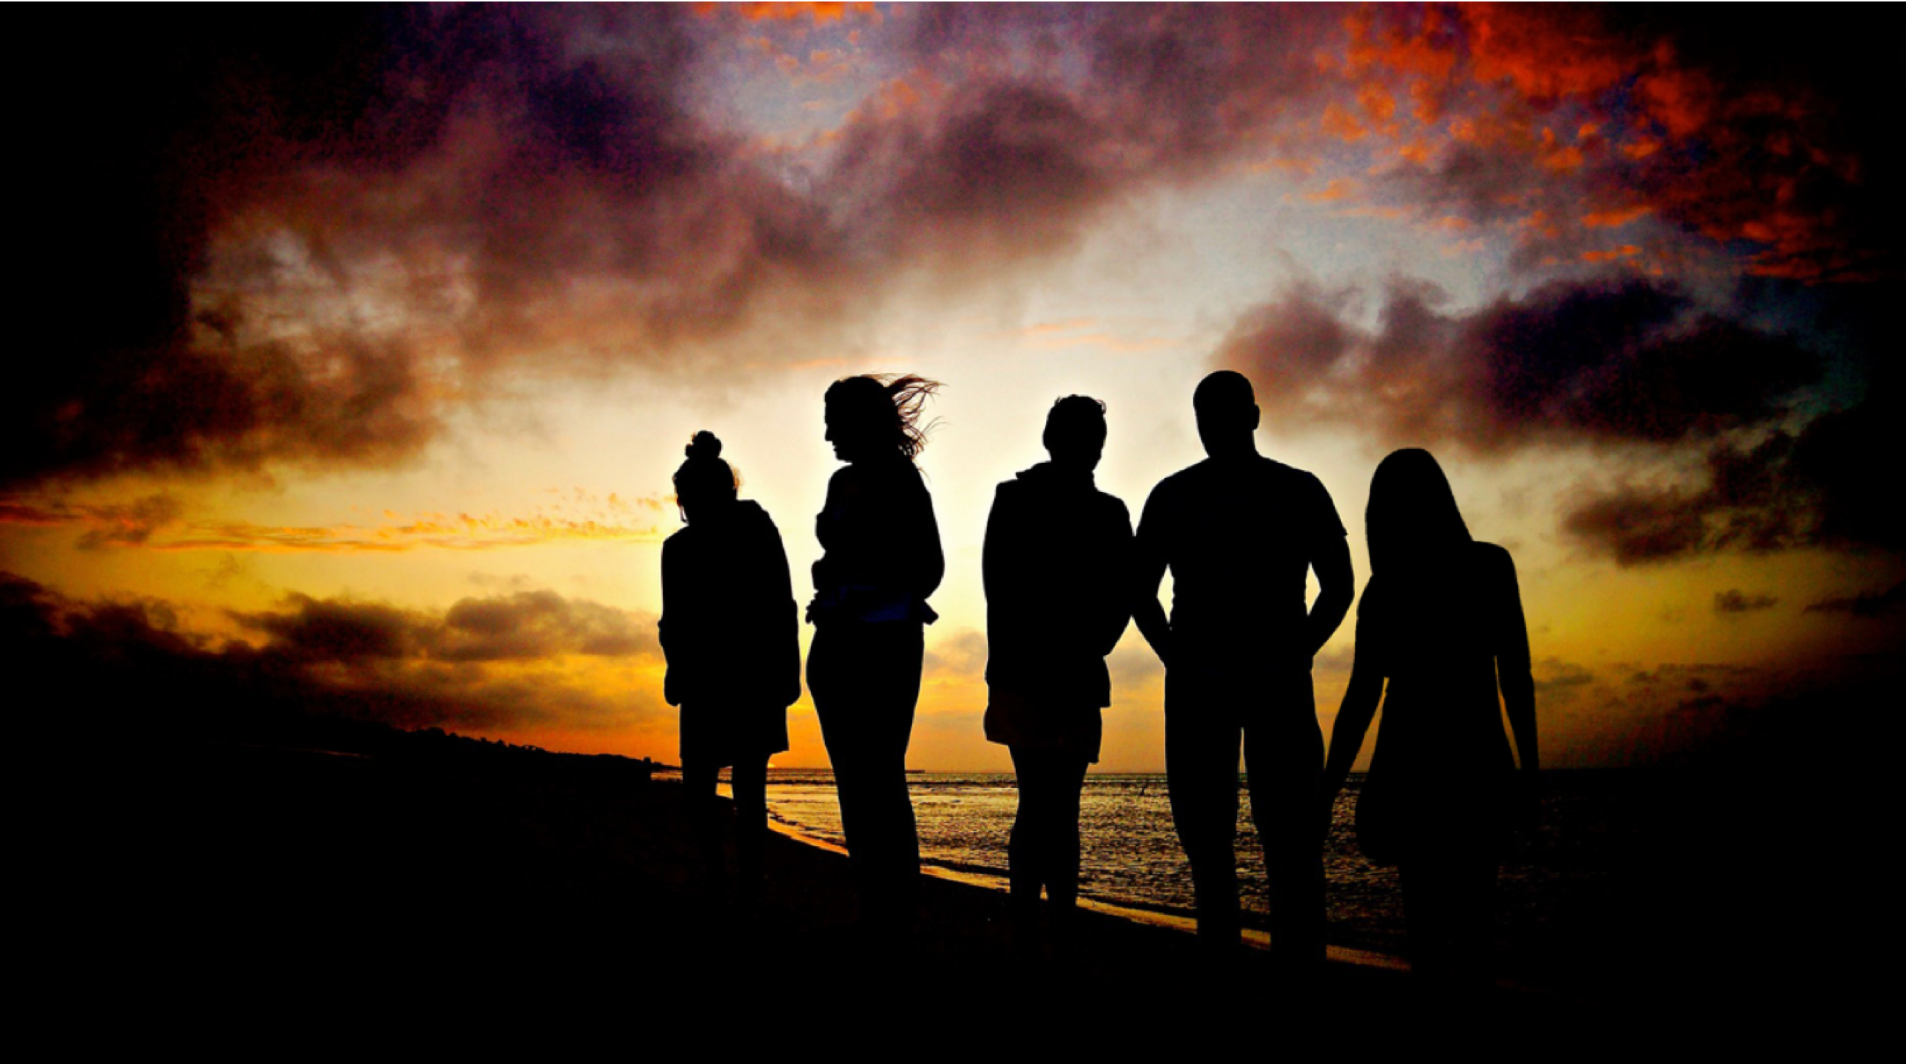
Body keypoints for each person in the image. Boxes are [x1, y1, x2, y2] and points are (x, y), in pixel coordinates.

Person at [1132, 370, 1353, 968]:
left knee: (1234, 843)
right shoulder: (1295, 490)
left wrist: (1179, 655)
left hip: (1229, 679)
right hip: (1249, 678)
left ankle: (1238, 975)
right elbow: (1339, 586)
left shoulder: (1178, 495)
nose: (1215, 429)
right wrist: (1296, 648)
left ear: (1250, 418)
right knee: (1277, 843)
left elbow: (1339, 586)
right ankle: (1283, 976)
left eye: (1218, 417)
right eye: (1210, 418)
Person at [1320, 448, 1538, 996]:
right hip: (1477, 759)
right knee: (1475, 929)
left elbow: (1362, 698)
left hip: (1409, 766)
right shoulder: (1490, 566)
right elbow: (1516, 676)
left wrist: (1328, 787)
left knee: (1425, 935)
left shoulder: (1386, 589)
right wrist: (1530, 770)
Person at [983, 395, 1134, 956]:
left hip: (1054, 672)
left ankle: (1044, 927)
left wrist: (1095, 643)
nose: (1089, 448)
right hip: (1040, 673)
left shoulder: (1098, 510)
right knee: (1051, 806)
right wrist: (1091, 642)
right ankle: (1043, 927)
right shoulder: (1024, 499)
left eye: (1093, 437)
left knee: (1048, 805)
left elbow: (1123, 594)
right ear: (1056, 439)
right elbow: (999, 585)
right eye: (1083, 436)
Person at [806, 374, 944, 934]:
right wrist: (831, 574)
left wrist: (858, 577)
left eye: (833, 421)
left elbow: (929, 570)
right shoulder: (840, 483)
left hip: (885, 644)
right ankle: (870, 905)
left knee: (882, 779)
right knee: (852, 783)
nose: (826, 434)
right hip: (835, 645)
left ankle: (898, 914)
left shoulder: (903, 483)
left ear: (861, 422)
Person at [659, 431, 800, 907]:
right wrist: (675, 668)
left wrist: (788, 671)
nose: (690, 509)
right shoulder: (682, 548)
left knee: (728, 788)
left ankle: (738, 883)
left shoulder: (750, 532)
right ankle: (730, 882)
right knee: (723, 788)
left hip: (744, 677)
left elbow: (782, 603)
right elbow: (673, 620)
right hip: (725, 677)